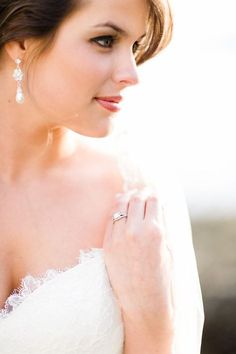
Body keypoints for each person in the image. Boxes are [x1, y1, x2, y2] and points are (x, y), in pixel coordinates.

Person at [0, 0, 204, 353]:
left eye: (135, 46)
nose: (131, 73)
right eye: (106, 40)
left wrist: (149, 315)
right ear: (21, 41)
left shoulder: (135, 199)